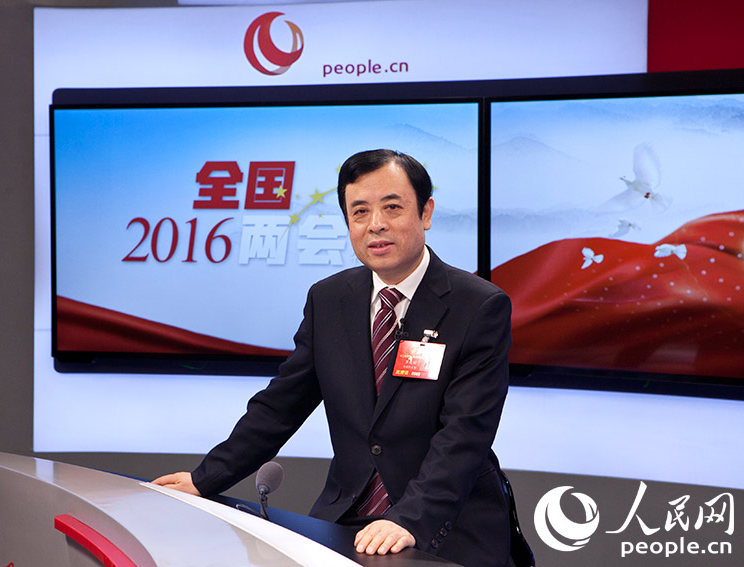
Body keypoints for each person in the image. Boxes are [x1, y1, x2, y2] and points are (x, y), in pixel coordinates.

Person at [154, 149, 513, 567]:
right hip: (348, 515)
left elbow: (465, 433)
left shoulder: (478, 306)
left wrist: (409, 519)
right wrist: (205, 479)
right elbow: (279, 406)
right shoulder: (329, 299)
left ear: (426, 212)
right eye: (359, 212)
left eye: (392, 208)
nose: (375, 224)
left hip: (443, 523)